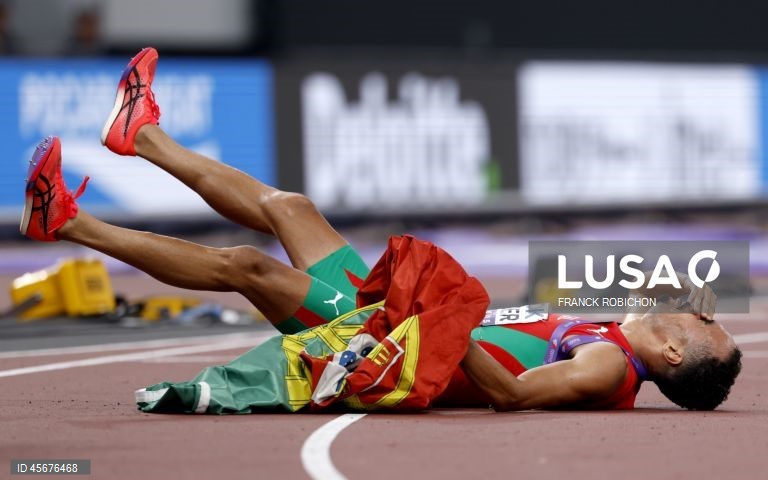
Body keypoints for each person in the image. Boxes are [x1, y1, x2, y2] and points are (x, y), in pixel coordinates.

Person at [20, 48, 742, 412]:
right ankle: (141, 138)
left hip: (399, 334)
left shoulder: (610, 367)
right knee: (291, 208)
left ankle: (72, 221)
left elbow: (513, 397)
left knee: (251, 267)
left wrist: (441, 327)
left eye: (702, 323)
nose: (695, 307)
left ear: (675, 352)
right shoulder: (609, 332)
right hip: (406, 316)